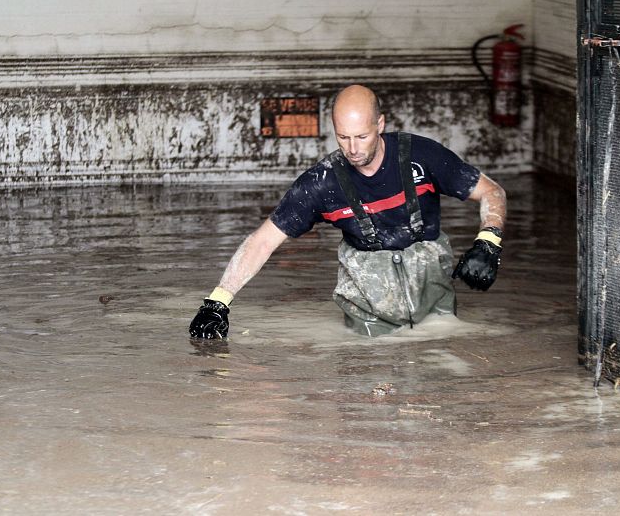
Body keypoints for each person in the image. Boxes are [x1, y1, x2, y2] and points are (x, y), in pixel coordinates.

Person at [189, 84, 507, 340]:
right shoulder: (321, 183)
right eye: (343, 137)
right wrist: (218, 300)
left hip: (435, 302)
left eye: (362, 136)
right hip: (368, 315)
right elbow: (263, 240)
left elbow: (492, 191)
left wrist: (487, 241)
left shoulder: (423, 156)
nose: (353, 149)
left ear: (380, 124)